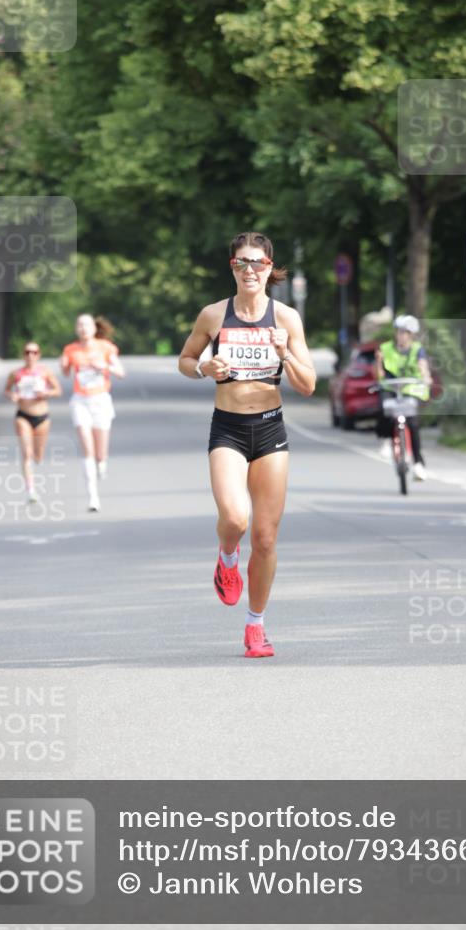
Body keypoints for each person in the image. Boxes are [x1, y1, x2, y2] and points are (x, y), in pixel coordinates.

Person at [178, 231, 316, 658]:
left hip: (271, 429)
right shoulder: (213, 315)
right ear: (232, 267)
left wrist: (286, 353)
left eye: (258, 263)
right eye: (242, 263)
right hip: (228, 429)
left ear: (270, 269)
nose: (250, 270)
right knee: (236, 519)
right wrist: (205, 367)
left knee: (267, 538)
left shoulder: (287, 319)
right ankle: (226, 555)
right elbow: (184, 361)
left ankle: (255, 625)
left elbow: (308, 384)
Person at [60, 314, 125, 512]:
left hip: (101, 400)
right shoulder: (71, 350)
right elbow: (65, 373)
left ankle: (101, 463)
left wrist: (104, 366)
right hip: (80, 401)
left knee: (100, 452)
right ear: (76, 329)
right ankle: (93, 497)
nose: (83, 328)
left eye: (86, 325)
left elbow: (121, 372)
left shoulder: (105, 347)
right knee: (86, 448)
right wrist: (63, 365)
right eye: (79, 325)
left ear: (94, 328)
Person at [376, 315, 432, 481]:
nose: (401, 335)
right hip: (390, 386)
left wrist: (426, 378)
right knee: (384, 407)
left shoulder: (417, 349)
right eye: (399, 332)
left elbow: (423, 367)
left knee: (413, 423)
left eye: (405, 332)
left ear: (411, 335)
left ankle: (418, 463)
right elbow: (379, 372)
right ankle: (386, 440)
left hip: (410, 388)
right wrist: (378, 367)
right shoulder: (385, 348)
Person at [4, 342, 62, 502]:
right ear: (23, 355)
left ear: (39, 355)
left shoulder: (45, 372)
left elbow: (58, 390)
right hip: (23, 416)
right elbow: (7, 390)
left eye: (34, 352)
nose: (30, 355)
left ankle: (36, 463)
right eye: (27, 352)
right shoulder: (16, 373)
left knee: (38, 456)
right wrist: (12, 396)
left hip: (42, 417)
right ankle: (30, 490)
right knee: (26, 453)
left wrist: (46, 393)